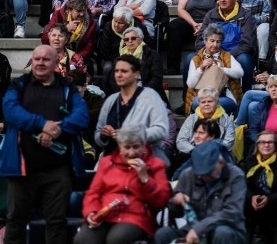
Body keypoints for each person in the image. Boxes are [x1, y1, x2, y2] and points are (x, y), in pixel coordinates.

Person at [0, 45, 88, 244]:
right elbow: (11, 111)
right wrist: (42, 124)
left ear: (56, 62)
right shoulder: (18, 86)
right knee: (15, 221)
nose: (40, 63)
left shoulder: (68, 88)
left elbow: (82, 117)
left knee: (56, 223)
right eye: (36, 59)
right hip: (22, 169)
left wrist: (59, 129)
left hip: (57, 170)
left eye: (45, 59)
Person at [76, 124, 171, 244]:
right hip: (105, 213)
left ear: (144, 147)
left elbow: (162, 200)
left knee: (116, 239)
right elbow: (93, 193)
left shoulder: (155, 165)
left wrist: (146, 179)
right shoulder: (107, 163)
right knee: (83, 239)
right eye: (127, 147)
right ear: (120, 147)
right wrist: (91, 212)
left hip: (135, 216)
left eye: (136, 147)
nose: (131, 153)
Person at [155, 140, 247, 244]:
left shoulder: (236, 176)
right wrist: (176, 201)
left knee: (222, 232)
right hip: (193, 230)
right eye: (200, 174)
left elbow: (232, 213)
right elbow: (176, 213)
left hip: (228, 231)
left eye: (208, 173)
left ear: (221, 163)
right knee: (163, 234)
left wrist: (199, 229)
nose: (204, 177)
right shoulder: (189, 174)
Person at [96, 55, 169, 162]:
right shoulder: (111, 100)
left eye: (124, 71)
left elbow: (161, 130)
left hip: (143, 161)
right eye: (116, 71)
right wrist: (103, 135)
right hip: (113, 162)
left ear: (136, 74)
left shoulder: (150, 96)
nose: (119, 75)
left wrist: (130, 135)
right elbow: (97, 134)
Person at [195, 0, 257, 92]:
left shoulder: (246, 16)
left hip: (236, 55)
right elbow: (200, 40)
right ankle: (188, 102)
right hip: (212, 53)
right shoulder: (210, 15)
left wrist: (226, 57)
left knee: (245, 59)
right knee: (189, 60)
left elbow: (248, 44)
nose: (222, 0)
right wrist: (210, 54)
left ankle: (245, 96)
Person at [166, 0, 221, 73]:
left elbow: (220, 10)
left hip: (211, 23)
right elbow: (180, 9)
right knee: (173, 27)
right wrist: (194, 24)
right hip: (191, 22)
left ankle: (205, 66)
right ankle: (173, 67)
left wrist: (204, 25)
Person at [241, 131, 277, 244]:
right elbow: (243, 185)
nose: (266, 145)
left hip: (276, 199)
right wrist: (252, 197)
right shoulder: (251, 160)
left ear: (276, 145)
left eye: (270, 142)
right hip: (255, 199)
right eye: (262, 142)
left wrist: (269, 199)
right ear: (257, 145)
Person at [176, 87, 236, 156]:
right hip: (194, 153)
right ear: (199, 104)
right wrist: (196, 151)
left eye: (210, 101)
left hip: (218, 155)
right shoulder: (191, 118)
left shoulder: (226, 119)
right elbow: (180, 141)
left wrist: (211, 152)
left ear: (217, 103)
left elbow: (229, 142)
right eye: (203, 102)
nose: (206, 104)